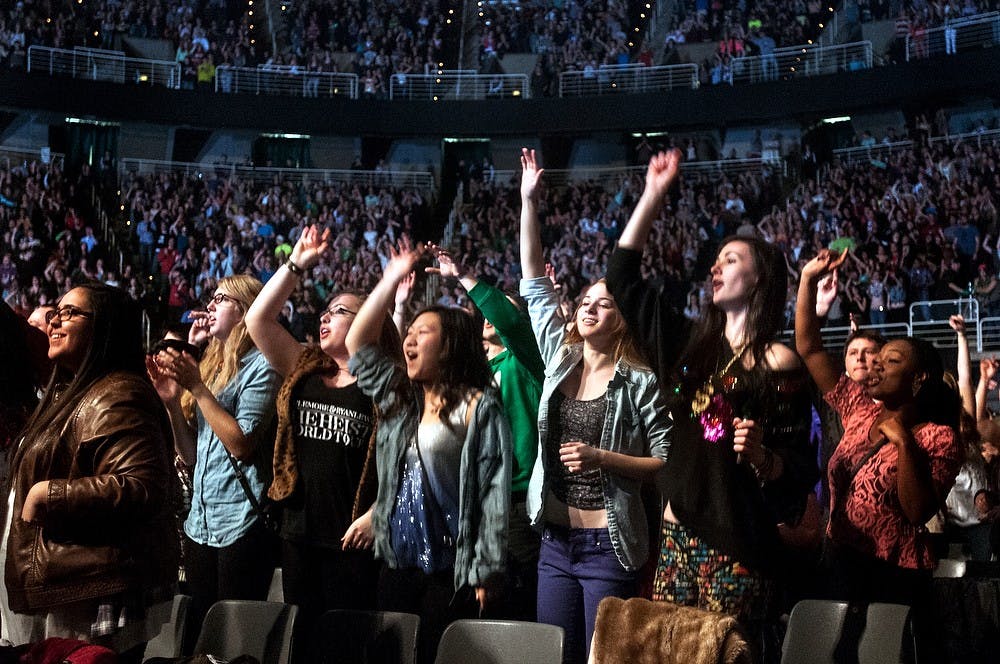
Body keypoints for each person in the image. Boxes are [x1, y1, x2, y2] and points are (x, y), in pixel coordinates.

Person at [606, 151, 817, 653]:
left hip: (737, 545)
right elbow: (622, 278)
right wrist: (653, 194)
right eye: (716, 259)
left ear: (760, 278)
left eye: (731, 259)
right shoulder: (687, 343)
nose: (715, 267)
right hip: (675, 537)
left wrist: (764, 456)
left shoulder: (779, 363)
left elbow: (799, 468)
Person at [519, 148, 671, 664]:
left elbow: (664, 460)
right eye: (584, 301)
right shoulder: (560, 359)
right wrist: (528, 202)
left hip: (610, 545)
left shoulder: (640, 381)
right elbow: (535, 284)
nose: (588, 308)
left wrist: (602, 458)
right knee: (553, 656)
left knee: (603, 659)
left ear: (622, 318)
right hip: (555, 546)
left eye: (603, 303)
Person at [345, 237, 511, 664]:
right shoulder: (401, 398)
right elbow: (357, 343)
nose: (409, 341)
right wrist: (390, 277)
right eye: (409, 332)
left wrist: (487, 566)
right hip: (398, 561)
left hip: (451, 571)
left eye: (424, 332)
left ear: (451, 343)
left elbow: (493, 492)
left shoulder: (480, 406)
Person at [244, 225, 401, 661]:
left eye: (340, 311)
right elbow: (257, 320)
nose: (325, 317)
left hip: (352, 538)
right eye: (325, 311)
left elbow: (407, 458)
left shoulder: (384, 383)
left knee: (346, 646)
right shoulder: (306, 369)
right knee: (301, 644)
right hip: (299, 532)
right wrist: (297, 265)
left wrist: (378, 511)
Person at [1, 284, 178, 663]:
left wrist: (48, 494)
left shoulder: (118, 393)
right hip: (67, 585)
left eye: (70, 312)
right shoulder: (73, 392)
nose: (55, 320)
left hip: (88, 592)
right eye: (55, 312)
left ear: (105, 328)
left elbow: (142, 486)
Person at [795, 248, 963, 606]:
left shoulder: (939, 437)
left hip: (892, 577)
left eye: (891, 360)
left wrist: (904, 442)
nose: (876, 365)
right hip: (839, 563)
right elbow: (809, 348)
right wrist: (808, 279)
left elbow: (918, 512)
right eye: (877, 358)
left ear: (918, 380)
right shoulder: (857, 409)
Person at [149, 274, 280, 651]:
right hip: (201, 522)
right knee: (195, 642)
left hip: (240, 522)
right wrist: (173, 403)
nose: (210, 305)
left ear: (244, 311)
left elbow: (241, 444)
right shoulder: (214, 364)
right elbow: (191, 455)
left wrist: (197, 388)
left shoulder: (261, 366)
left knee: (232, 645)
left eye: (221, 299)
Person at [426, 244, 545, 621]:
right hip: (468, 502)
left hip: (514, 503)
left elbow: (510, 323)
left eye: (504, 307)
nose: (492, 316)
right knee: (471, 606)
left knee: (516, 604)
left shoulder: (525, 362)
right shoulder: (466, 372)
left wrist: (463, 275)